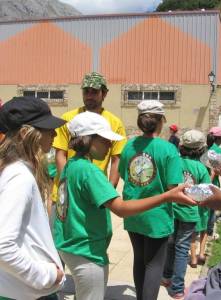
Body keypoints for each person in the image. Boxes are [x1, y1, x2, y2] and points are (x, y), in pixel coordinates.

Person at [53, 111, 196, 300]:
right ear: (88, 140)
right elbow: (120, 208)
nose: (110, 144)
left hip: (71, 247)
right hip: (88, 253)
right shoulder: (90, 172)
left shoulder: (71, 165)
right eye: (105, 139)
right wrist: (166, 197)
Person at [0, 96, 65, 300]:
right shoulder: (20, 177)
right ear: (26, 134)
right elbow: (3, 246)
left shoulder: (10, 170)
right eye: (47, 129)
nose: (54, 134)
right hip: (25, 293)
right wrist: (46, 275)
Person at [118, 100, 184, 300]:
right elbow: (174, 187)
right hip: (157, 215)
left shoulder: (129, 147)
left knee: (139, 260)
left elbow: (124, 174)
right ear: (161, 122)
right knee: (154, 264)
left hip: (133, 212)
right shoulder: (168, 150)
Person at [52, 72, 127, 208]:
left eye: (94, 92)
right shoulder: (67, 119)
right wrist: (69, 185)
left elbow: (117, 161)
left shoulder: (115, 123)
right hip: (66, 192)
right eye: (86, 91)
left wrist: (107, 192)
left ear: (104, 94)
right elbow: (60, 155)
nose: (89, 96)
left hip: (95, 193)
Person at [162, 130, 210, 299]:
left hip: (172, 209)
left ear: (181, 146)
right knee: (182, 249)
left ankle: (166, 277)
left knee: (170, 244)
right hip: (189, 212)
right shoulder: (201, 168)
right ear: (201, 150)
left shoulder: (174, 163)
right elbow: (207, 192)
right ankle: (177, 288)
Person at [206, 126, 221, 238]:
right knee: (212, 209)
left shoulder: (204, 148)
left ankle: (201, 229)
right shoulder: (218, 151)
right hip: (213, 183)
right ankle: (209, 231)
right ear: (220, 139)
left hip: (202, 181)